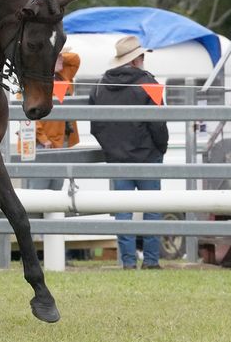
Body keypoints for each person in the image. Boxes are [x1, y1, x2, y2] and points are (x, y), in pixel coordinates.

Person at [89, 35, 169, 270]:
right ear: (136, 60)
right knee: (152, 211)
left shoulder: (101, 85)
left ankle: (128, 262)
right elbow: (158, 123)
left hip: (117, 158)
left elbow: (96, 126)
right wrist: (160, 147)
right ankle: (152, 261)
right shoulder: (148, 83)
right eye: (142, 56)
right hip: (147, 156)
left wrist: (111, 149)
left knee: (122, 212)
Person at [29, 48, 81, 191]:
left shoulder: (63, 75)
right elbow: (28, 113)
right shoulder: (34, 81)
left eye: (61, 56)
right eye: (57, 57)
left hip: (61, 140)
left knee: (57, 187)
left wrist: (56, 53)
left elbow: (75, 58)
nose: (62, 60)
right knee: (40, 188)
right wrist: (43, 138)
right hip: (44, 143)